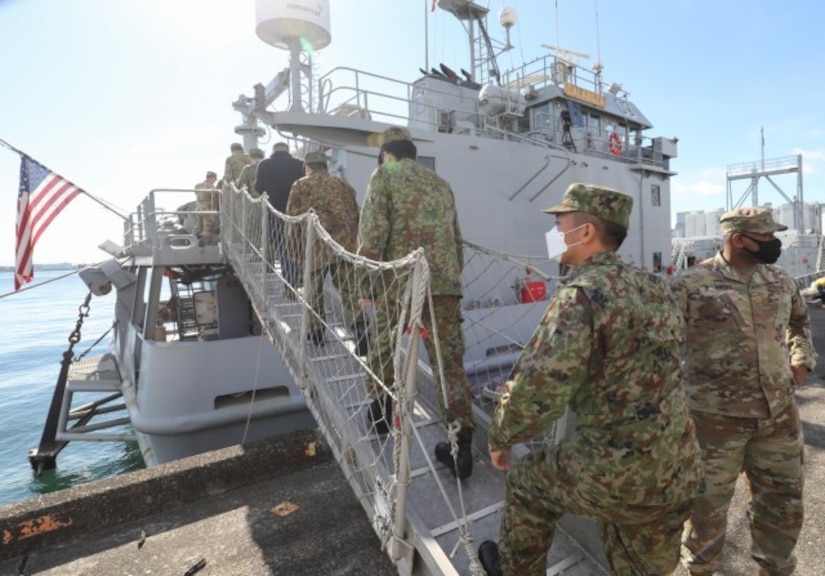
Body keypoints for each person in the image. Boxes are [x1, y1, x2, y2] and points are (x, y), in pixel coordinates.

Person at [478, 183, 702, 576]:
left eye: (560, 223)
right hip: (678, 466)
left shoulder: (580, 296)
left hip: (616, 472)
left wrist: (501, 438)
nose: (553, 233)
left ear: (585, 233)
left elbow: (537, 393)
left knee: (527, 484)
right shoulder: (656, 287)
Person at [672, 207, 817, 576]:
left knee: (783, 505)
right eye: (766, 237)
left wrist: (801, 360)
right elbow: (660, 345)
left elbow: (800, 322)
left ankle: (775, 569)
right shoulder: (689, 284)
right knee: (706, 509)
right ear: (738, 239)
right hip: (713, 424)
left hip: (778, 417)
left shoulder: (782, 281)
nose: (774, 243)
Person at [357, 126, 477, 479]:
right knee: (448, 365)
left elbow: (373, 234)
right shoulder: (441, 184)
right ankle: (461, 446)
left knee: (383, 344)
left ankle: (381, 413)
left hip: (401, 283)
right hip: (443, 285)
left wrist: (367, 285)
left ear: (388, 155)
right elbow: (456, 241)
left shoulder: (384, 176)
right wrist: (449, 281)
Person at [285, 150, 368, 350]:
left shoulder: (301, 185)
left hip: (316, 247)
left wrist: (292, 249)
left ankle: (317, 333)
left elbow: (292, 221)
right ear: (325, 166)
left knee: (314, 291)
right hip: (344, 246)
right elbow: (356, 215)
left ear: (308, 166)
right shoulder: (344, 186)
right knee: (349, 289)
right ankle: (360, 329)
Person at [255, 142, 304, 288]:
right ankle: (299, 279)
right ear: (288, 151)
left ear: (273, 151)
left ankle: (290, 284)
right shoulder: (299, 164)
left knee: (282, 248)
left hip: (275, 212)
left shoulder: (264, 164)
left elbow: (258, 187)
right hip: (296, 213)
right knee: (298, 246)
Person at [193, 170, 219, 245]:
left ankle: (193, 243)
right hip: (207, 210)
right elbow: (214, 200)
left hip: (198, 209)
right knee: (207, 228)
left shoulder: (198, 186)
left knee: (198, 227)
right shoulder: (212, 188)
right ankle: (206, 246)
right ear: (213, 178)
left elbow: (196, 193)